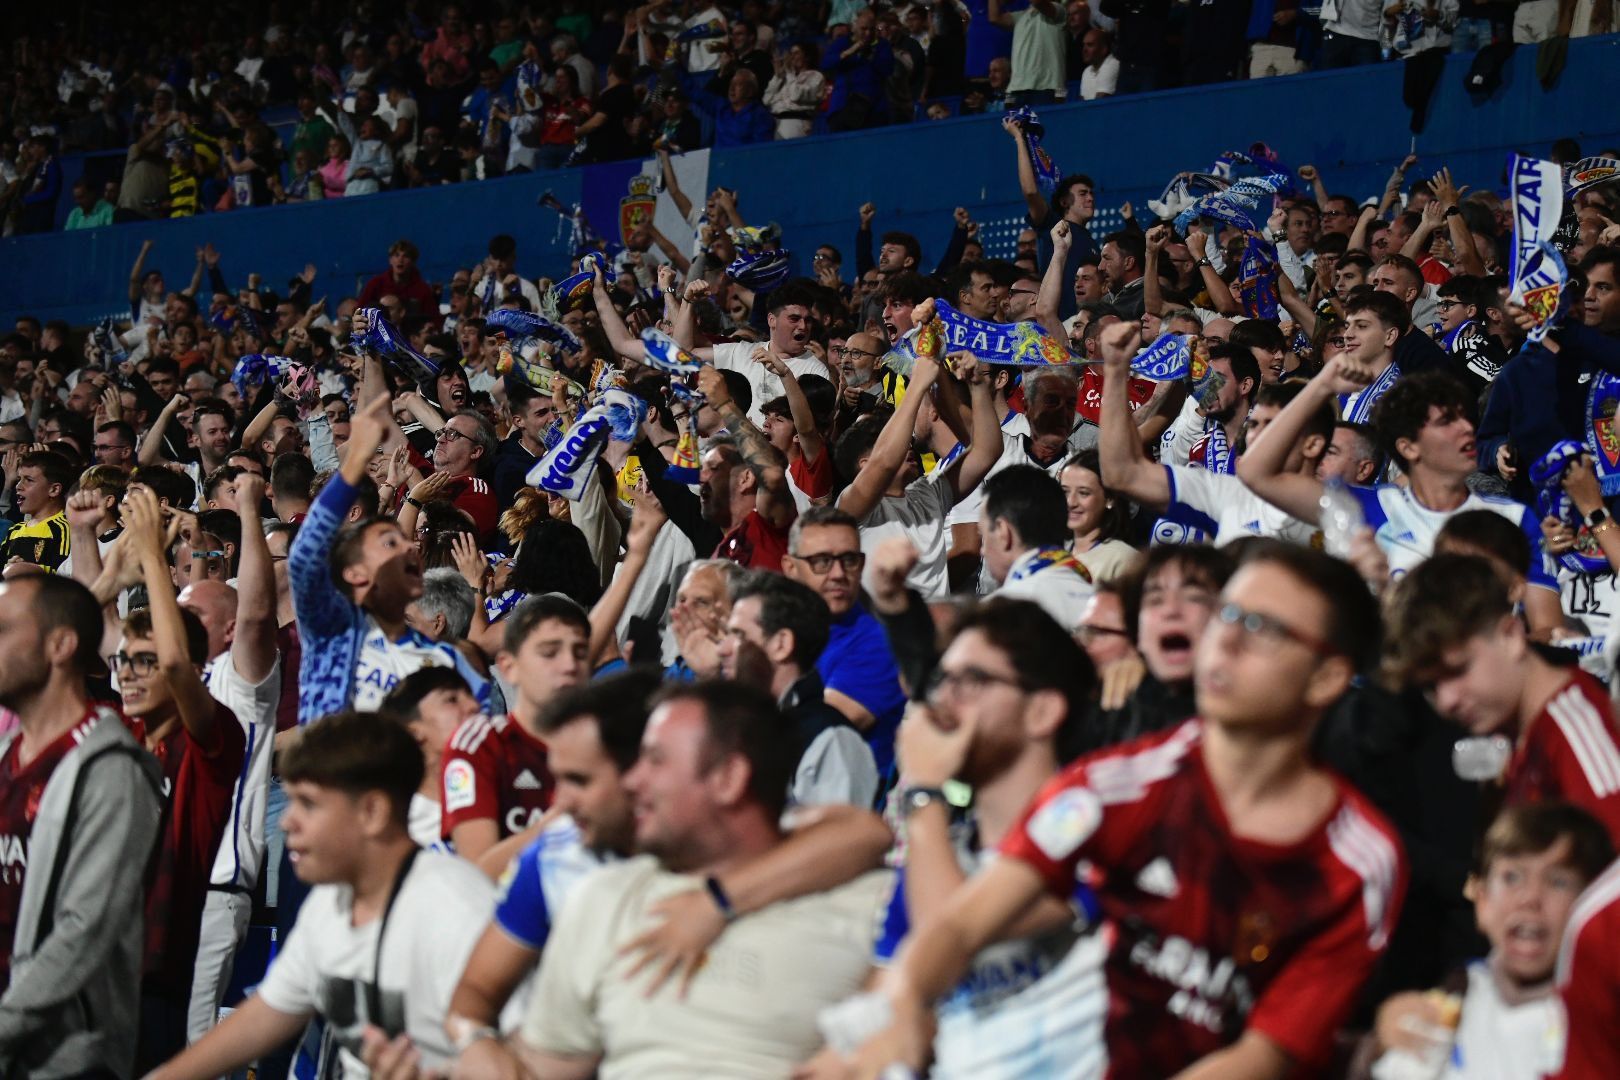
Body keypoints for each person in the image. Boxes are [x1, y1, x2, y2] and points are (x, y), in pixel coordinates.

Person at [847, 541, 1406, 1078]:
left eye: (1262, 628)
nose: (1226, 641)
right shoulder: (1111, 787)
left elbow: (1260, 1060)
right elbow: (959, 926)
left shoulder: (1361, 863)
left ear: (1328, 676)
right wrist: (903, 1007)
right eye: (1229, 615)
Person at [437, 670, 893, 1073]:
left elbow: (866, 834)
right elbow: (508, 1025)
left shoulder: (845, 886)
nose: (561, 804)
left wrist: (719, 899)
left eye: (581, 780)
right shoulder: (575, 875)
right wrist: (475, 1043)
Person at [146, 711, 497, 1079]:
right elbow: (265, 1017)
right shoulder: (330, 905)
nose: (287, 821)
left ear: (372, 812)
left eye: (308, 803)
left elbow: (526, 1060)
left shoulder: (457, 907)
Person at [864, 597, 1104, 1077]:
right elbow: (881, 1002)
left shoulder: (1095, 826)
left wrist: (924, 790)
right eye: (944, 681)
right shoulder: (942, 851)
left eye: (972, 681)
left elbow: (948, 938)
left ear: (1042, 712)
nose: (944, 700)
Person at [0, 575, 162, 1078]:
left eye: (4, 629)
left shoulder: (110, 767)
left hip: (61, 1057)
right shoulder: (11, 756)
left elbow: (84, 929)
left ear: (61, 645)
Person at [116, 489, 246, 1070]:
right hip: (84, 971)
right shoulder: (111, 734)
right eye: (124, 661)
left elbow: (173, 661)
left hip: (153, 974)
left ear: (195, 673)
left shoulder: (214, 736)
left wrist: (150, 557)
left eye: (145, 661)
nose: (129, 674)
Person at [1354, 802, 1612, 1079]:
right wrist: (1379, 1048)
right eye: (1512, 877)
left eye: (1558, 882)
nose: (1530, 898)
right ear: (1482, 901)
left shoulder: (1601, 1021)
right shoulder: (1457, 996)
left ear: (1592, 907)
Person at [1385, 554, 1620, 841]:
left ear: (1511, 636)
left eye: (1457, 671)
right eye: (1431, 686)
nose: (1447, 700)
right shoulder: (1529, 733)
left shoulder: (1577, 734)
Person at [177, 472, 282, 1045]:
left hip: (215, 887)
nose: (174, 626)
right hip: (164, 884)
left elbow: (257, 612)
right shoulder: (181, 674)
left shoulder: (244, 682)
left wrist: (248, 509)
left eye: (191, 619)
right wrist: (195, 547)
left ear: (227, 629)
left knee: (191, 1046)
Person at [441, 595, 588, 864]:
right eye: (549, 653)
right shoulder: (478, 745)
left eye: (580, 653)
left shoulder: (609, 747)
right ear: (509, 667)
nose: (569, 665)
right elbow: (477, 873)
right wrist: (561, 819)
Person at [720, 571, 880, 808]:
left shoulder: (830, 740)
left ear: (781, 644)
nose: (722, 649)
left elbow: (843, 841)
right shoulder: (744, 725)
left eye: (739, 636)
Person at [782, 506, 908, 779]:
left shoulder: (881, 645)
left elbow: (810, 740)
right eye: (822, 561)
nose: (839, 574)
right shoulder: (783, 630)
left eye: (849, 560)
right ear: (790, 568)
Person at [980, 464, 1096, 632]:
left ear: (1003, 532)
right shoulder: (1103, 606)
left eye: (983, 535)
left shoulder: (995, 615)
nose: (982, 551)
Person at [0, 451, 73, 572]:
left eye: (28, 480)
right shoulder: (15, 530)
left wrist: (24, 571)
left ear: (54, 489)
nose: (18, 486)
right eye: (19, 479)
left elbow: (62, 577)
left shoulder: (63, 529)